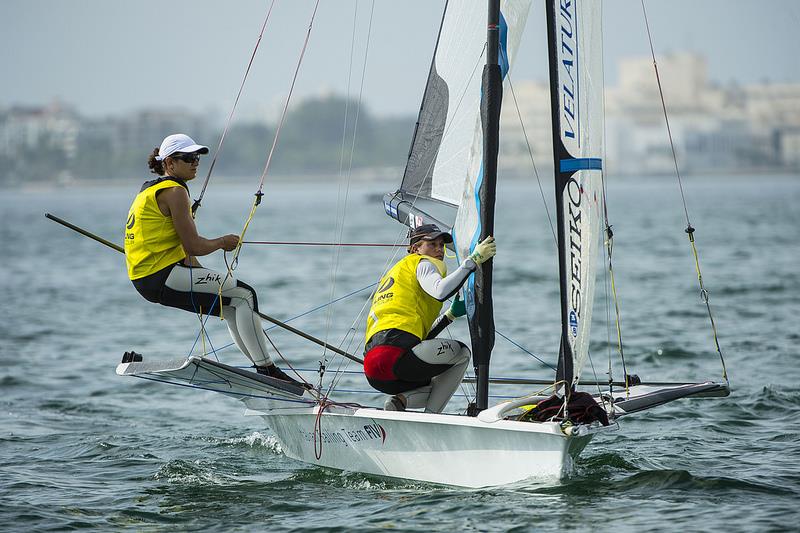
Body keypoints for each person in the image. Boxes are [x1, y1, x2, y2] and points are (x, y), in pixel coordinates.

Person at [124, 133, 304, 387]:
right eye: (187, 158)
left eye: (196, 157)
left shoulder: (149, 189)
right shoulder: (175, 192)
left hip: (145, 279)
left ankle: (261, 368)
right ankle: (267, 369)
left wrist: (203, 275)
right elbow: (193, 245)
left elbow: (182, 250)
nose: (195, 162)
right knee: (245, 294)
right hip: (162, 275)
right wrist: (223, 242)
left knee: (230, 304)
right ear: (169, 163)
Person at [363, 223, 496, 413]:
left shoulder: (398, 273)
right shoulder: (422, 262)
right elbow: (440, 291)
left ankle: (399, 403)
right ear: (416, 248)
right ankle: (432, 418)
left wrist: (448, 316)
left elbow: (415, 334)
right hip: (395, 356)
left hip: (373, 369)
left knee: (436, 385)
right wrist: (473, 260)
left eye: (441, 245)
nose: (438, 249)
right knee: (462, 354)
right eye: (432, 244)